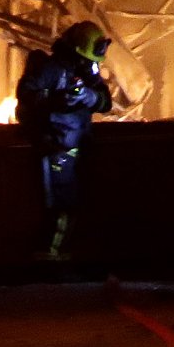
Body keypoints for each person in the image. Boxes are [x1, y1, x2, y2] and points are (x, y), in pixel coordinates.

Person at [15, 20, 113, 261]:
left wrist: (88, 97)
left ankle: (62, 256)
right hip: (56, 149)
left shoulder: (88, 71)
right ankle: (47, 257)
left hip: (79, 149)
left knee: (76, 206)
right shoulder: (51, 69)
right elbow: (26, 93)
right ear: (76, 52)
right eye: (89, 60)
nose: (93, 66)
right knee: (60, 207)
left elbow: (105, 102)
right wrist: (55, 100)